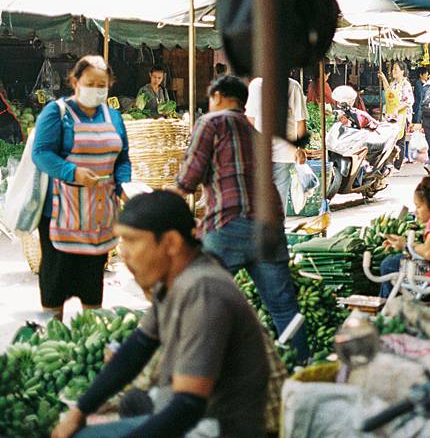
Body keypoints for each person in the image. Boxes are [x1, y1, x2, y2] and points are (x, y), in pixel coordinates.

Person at [51, 191, 269, 438]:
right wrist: (79, 411)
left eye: (132, 240)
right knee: (132, 402)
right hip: (191, 411)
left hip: (217, 427)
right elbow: (138, 346)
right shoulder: (175, 279)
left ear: (171, 243)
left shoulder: (203, 291)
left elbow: (188, 406)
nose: (123, 252)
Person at [171, 75, 309, 361]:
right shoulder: (255, 133)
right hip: (269, 227)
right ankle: (302, 367)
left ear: (218, 96)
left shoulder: (211, 123)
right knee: (284, 307)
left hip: (228, 225)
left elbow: (189, 177)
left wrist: (163, 204)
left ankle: (201, 370)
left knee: (205, 303)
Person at [32, 55, 131, 319]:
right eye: (91, 83)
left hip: (99, 216)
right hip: (61, 214)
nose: (97, 89)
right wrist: (72, 172)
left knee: (91, 284)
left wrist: (124, 186)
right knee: (55, 283)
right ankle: (52, 336)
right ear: (75, 82)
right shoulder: (57, 112)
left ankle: (89, 332)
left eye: (103, 84)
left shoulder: (114, 117)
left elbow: (122, 159)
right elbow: (41, 153)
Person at [245, 76, 309, 215]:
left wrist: (300, 149)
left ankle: (270, 231)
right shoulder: (290, 85)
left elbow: (300, 121)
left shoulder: (291, 86)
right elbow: (300, 121)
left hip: (279, 153)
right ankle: (274, 231)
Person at [379, 60, 414, 170]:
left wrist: (397, 110)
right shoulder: (393, 83)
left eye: (396, 69)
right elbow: (388, 91)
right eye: (393, 69)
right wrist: (383, 78)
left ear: (402, 71)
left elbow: (408, 101)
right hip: (390, 115)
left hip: (401, 115)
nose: (393, 71)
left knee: (400, 139)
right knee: (390, 139)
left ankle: (397, 165)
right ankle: (390, 162)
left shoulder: (405, 84)